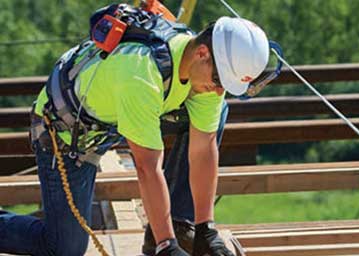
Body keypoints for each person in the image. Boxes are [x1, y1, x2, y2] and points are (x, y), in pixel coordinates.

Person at [0, 3, 270, 256]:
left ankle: (179, 224)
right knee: (63, 247)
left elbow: (202, 150)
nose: (220, 90)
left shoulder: (206, 73)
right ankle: (165, 235)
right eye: (218, 81)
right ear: (203, 53)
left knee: (216, 113)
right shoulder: (142, 73)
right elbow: (147, 168)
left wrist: (205, 228)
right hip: (67, 131)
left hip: (111, 118)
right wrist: (167, 247)